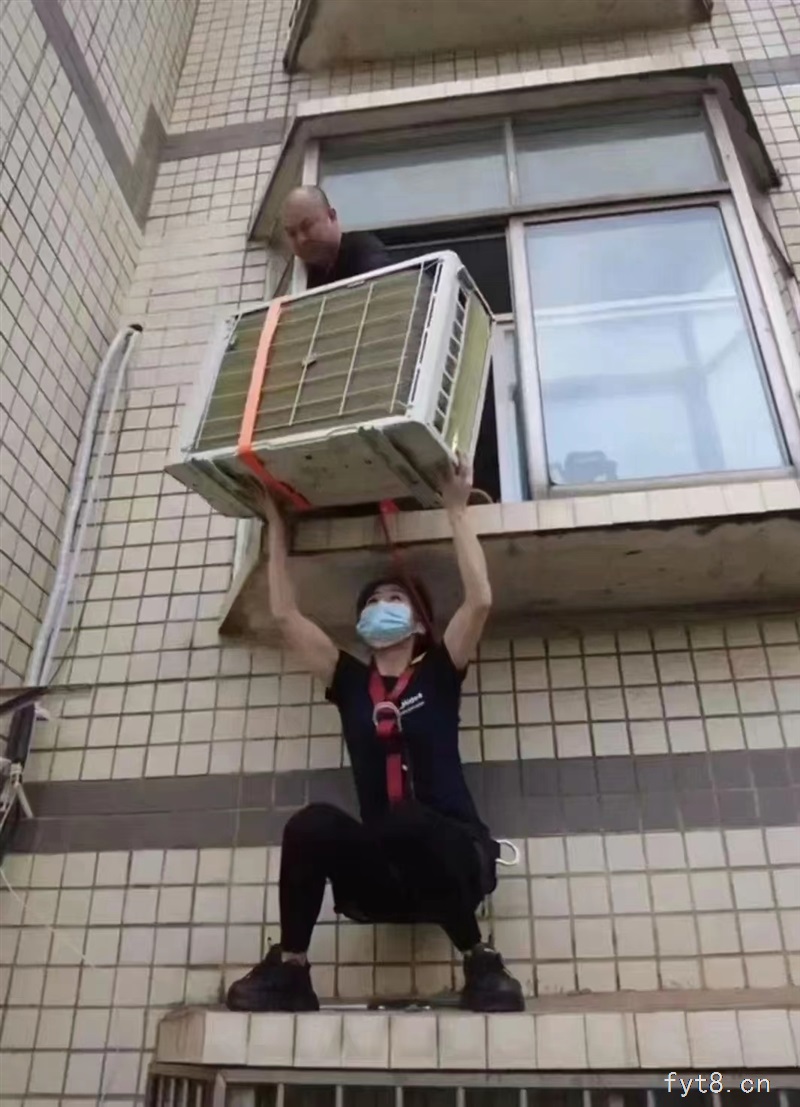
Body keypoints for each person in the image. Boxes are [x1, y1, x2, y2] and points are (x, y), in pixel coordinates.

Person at [225, 458, 524, 1014]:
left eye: (393, 600)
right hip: (385, 872)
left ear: (418, 624)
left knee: (407, 819)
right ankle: (291, 971)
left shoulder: (440, 669)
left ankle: (479, 959)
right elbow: (286, 615)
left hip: (456, 858)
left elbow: (480, 600)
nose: (378, 607)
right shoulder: (349, 682)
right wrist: (277, 525)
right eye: (370, 603)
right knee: (312, 823)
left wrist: (456, 510)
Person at [282, 185, 391, 288]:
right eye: (292, 233)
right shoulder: (301, 277)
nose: (301, 240)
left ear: (331, 216)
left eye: (307, 226)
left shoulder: (363, 252)